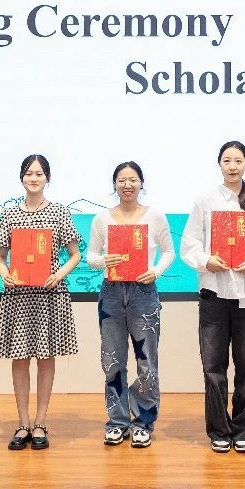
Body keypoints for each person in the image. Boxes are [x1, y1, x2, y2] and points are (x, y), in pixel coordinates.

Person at [181, 140, 245, 454]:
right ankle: (219, 430)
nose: (233, 166)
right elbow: (189, 243)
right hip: (214, 293)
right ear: (220, 164)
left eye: (238, 160)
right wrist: (205, 261)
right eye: (227, 160)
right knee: (213, 368)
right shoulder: (205, 200)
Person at [0, 154, 81, 451]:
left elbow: (75, 255)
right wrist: (4, 274)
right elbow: (0, 257)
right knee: (19, 359)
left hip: (49, 294)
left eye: (39, 173)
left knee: (45, 358)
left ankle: (40, 422)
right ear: (21, 178)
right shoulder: (9, 214)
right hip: (19, 296)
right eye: (29, 173)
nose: (34, 178)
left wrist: (59, 275)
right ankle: (22, 423)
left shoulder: (59, 212)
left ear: (47, 178)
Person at [85, 161, 174, 448]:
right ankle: (117, 421)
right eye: (122, 180)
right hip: (111, 293)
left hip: (143, 292)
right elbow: (90, 256)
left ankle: (143, 422)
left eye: (132, 180)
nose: (127, 185)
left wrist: (155, 271)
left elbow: (169, 253)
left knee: (146, 361)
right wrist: (104, 261)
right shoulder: (102, 219)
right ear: (115, 184)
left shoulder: (155, 216)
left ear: (141, 183)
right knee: (112, 361)